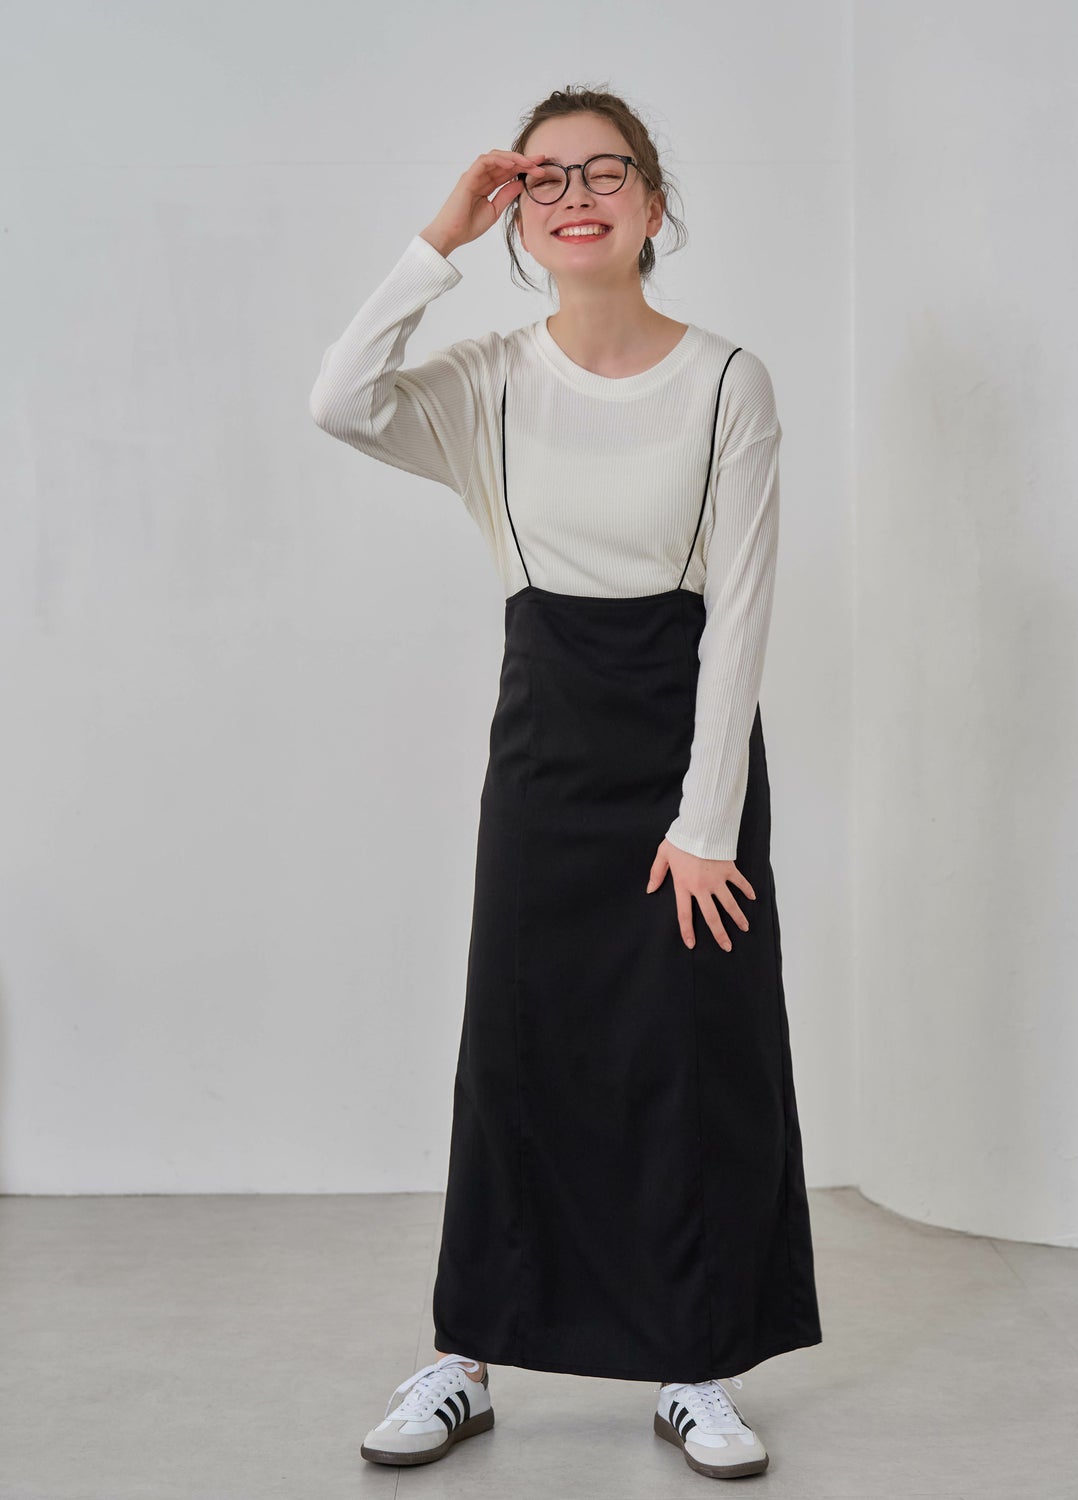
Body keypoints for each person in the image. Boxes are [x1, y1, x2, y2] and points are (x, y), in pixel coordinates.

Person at [309, 84, 822, 1483]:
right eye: (544, 179)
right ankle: (465, 1357)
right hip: (544, 760)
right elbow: (340, 399)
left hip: (687, 763)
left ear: (654, 203)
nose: (576, 195)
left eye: (606, 171)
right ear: (518, 214)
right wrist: (438, 238)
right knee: (516, 1056)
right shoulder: (486, 379)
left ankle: (694, 1362)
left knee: (689, 1060)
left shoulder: (729, 381)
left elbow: (742, 613)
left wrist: (707, 823)